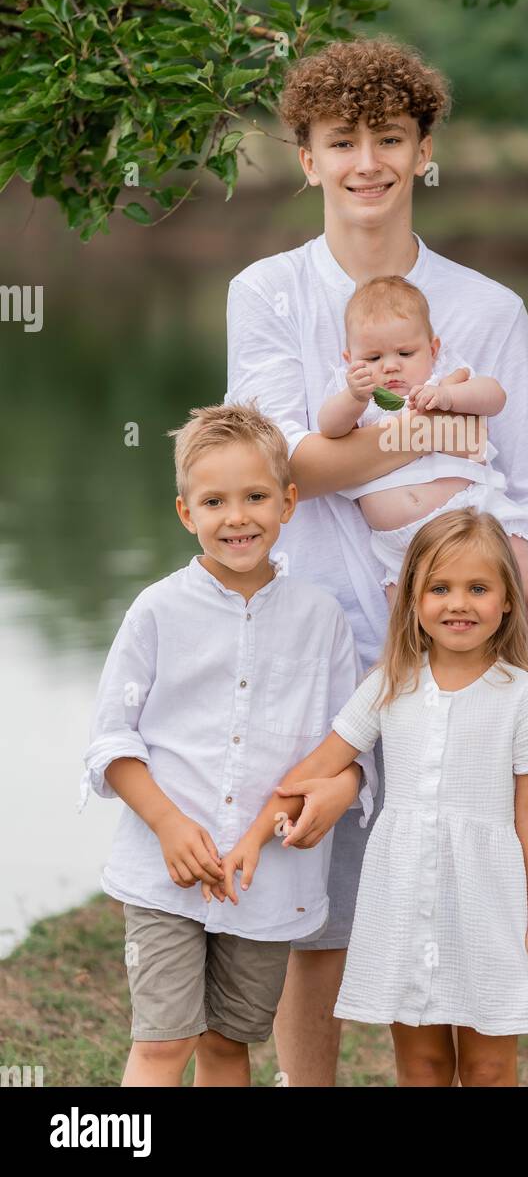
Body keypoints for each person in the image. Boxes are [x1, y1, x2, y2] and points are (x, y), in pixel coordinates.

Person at [226, 37, 528, 1084]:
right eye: (341, 142)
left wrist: (496, 577)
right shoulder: (269, 292)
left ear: (422, 151)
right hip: (312, 635)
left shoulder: (488, 309)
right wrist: (436, 432)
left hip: (448, 653)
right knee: (312, 913)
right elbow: (289, 468)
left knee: (457, 877)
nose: (365, 161)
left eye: (388, 138)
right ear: (307, 158)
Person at [213, 508, 528, 1086]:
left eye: (478, 588)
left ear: (507, 600)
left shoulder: (522, 695)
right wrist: (254, 835)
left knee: (489, 1065)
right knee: (422, 1063)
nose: (458, 603)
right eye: (440, 588)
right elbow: (319, 765)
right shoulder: (390, 682)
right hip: (405, 894)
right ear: (412, 600)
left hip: (492, 899)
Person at [78, 403, 374, 1086]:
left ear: (289, 503)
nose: (236, 517)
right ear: (187, 513)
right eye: (215, 501)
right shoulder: (156, 611)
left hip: (264, 883)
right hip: (165, 875)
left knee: (227, 1044)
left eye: (255, 497)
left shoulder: (320, 619)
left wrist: (341, 789)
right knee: (163, 1039)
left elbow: (346, 744)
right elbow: (111, 742)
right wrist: (168, 823)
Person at [317, 272, 528, 661]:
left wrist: (448, 395)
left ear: (432, 349)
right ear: (349, 360)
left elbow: (494, 396)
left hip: (476, 511)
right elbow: (328, 428)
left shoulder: (444, 377)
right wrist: (354, 398)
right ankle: (417, 700)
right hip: (401, 543)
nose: (390, 368)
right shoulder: (356, 396)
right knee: (405, 634)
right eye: (372, 358)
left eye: (405, 354)